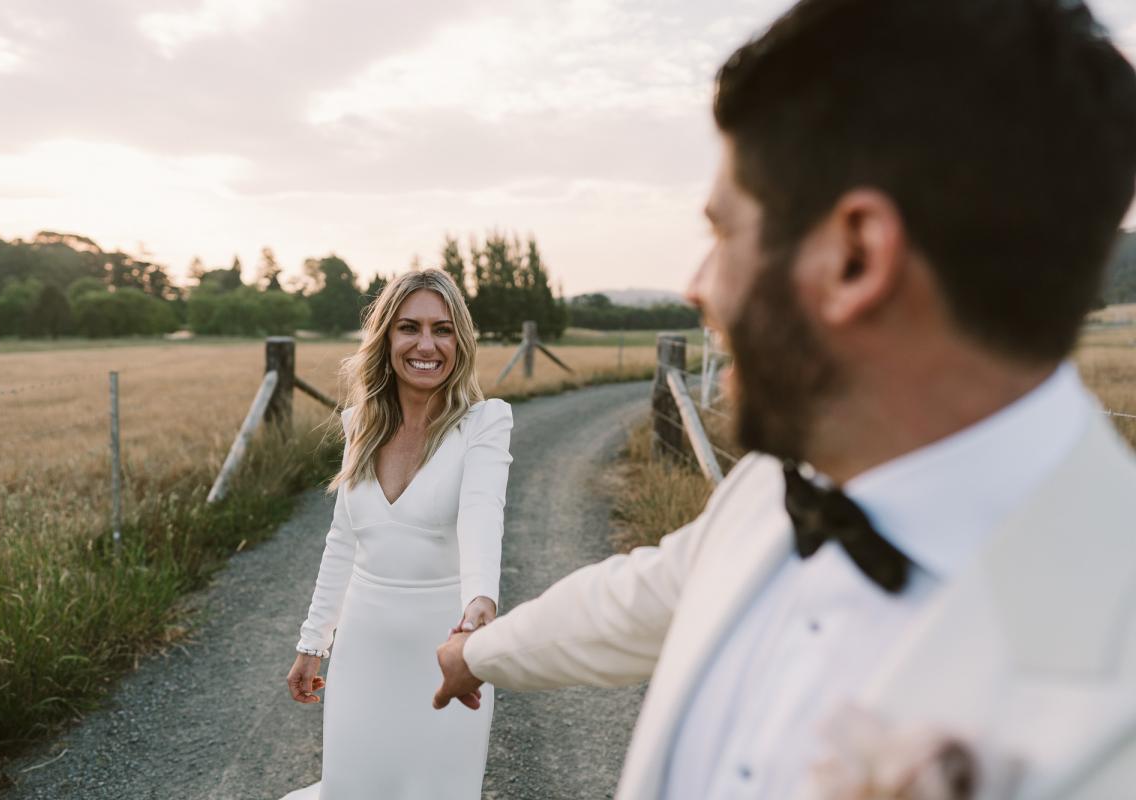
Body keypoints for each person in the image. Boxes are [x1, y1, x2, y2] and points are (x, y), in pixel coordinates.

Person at [432, 0, 1136, 798]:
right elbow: (638, 601)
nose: (698, 287)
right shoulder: (781, 486)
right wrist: (474, 652)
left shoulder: (1113, 697)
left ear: (855, 257)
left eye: (725, 234)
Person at [281, 269, 512, 800]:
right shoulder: (360, 422)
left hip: (446, 651)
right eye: (409, 327)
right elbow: (343, 541)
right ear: (386, 338)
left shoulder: (484, 424)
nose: (426, 345)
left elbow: (483, 517)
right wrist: (313, 643)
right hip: (363, 651)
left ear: (462, 341)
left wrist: (479, 608)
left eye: (443, 329)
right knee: (353, 788)